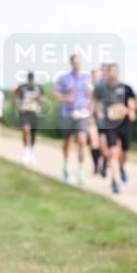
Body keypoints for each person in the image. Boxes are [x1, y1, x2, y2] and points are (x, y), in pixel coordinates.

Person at [93, 64, 137, 194]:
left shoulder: (126, 88)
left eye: (115, 71)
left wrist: (131, 110)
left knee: (125, 153)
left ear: (118, 73)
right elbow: (97, 102)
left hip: (125, 123)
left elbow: (133, 102)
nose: (113, 74)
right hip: (110, 124)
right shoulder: (102, 88)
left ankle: (122, 167)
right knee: (112, 152)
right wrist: (99, 113)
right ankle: (116, 181)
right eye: (110, 71)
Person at [53, 55, 93, 184]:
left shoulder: (87, 78)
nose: (77, 65)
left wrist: (91, 111)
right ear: (71, 63)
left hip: (82, 114)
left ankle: (81, 170)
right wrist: (65, 97)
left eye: (79, 63)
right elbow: (54, 94)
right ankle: (66, 166)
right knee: (68, 142)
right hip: (68, 114)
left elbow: (92, 95)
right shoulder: (64, 78)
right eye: (75, 63)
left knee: (82, 141)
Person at [14, 72, 46, 165]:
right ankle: (26, 151)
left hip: (35, 112)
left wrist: (40, 99)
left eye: (32, 78)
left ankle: (31, 151)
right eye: (29, 78)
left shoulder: (38, 88)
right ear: (27, 79)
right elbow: (16, 97)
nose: (31, 80)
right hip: (24, 112)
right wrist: (19, 105)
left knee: (33, 134)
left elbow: (42, 99)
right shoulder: (21, 87)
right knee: (25, 130)